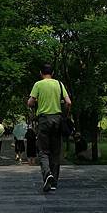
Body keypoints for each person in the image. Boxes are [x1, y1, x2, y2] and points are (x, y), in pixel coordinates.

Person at [27, 64, 71, 192]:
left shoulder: (38, 84)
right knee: (55, 152)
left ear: (41, 73)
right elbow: (68, 102)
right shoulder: (59, 84)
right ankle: (54, 183)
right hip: (57, 120)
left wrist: (34, 102)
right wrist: (65, 115)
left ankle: (47, 174)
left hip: (44, 120)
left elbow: (30, 102)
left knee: (43, 150)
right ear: (53, 72)